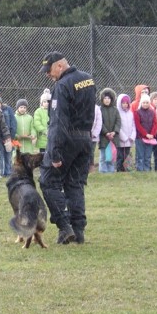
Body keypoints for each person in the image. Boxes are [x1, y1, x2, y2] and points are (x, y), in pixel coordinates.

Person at [38, 52, 96, 245]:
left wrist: (54, 152)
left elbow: (57, 122)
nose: (48, 75)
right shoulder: (88, 79)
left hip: (67, 139)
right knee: (75, 184)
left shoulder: (62, 86)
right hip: (85, 138)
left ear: (60, 66)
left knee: (48, 181)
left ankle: (65, 226)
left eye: (49, 70)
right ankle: (78, 231)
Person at [134, 94, 157, 172]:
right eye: (144, 102)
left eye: (147, 102)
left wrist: (152, 134)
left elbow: (155, 123)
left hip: (150, 138)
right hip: (140, 137)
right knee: (140, 155)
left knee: (148, 155)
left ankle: (147, 169)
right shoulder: (137, 112)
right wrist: (145, 134)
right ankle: (140, 169)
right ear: (141, 103)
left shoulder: (152, 112)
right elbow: (138, 125)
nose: (145, 104)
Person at [98, 88, 120, 173]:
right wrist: (106, 132)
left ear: (112, 99)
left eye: (108, 98)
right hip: (104, 137)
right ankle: (103, 171)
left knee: (111, 156)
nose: (107, 100)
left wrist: (115, 131)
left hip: (113, 137)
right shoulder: (100, 109)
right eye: (105, 98)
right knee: (103, 156)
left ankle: (111, 171)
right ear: (102, 99)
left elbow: (118, 121)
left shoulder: (115, 110)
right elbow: (100, 122)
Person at [0, 94, 17, 176]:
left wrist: (11, 136)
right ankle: (0, 172)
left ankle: (8, 172)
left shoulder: (8, 109)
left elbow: (13, 123)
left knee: (8, 155)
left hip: (8, 137)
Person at [116, 94, 136, 172]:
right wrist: (123, 137)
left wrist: (132, 136)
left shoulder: (130, 113)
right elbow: (118, 126)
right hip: (121, 139)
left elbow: (133, 125)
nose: (125, 104)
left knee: (127, 154)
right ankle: (119, 169)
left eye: (126, 103)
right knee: (120, 155)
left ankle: (127, 169)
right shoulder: (118, 113)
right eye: (123, 103)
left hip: (129, 139)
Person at [89, 104, 102, 173]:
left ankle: (91, 167)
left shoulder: (96, 108)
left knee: (91, 152)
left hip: (93, 136)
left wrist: (94, 134)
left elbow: (99, 122)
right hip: (83, 134)